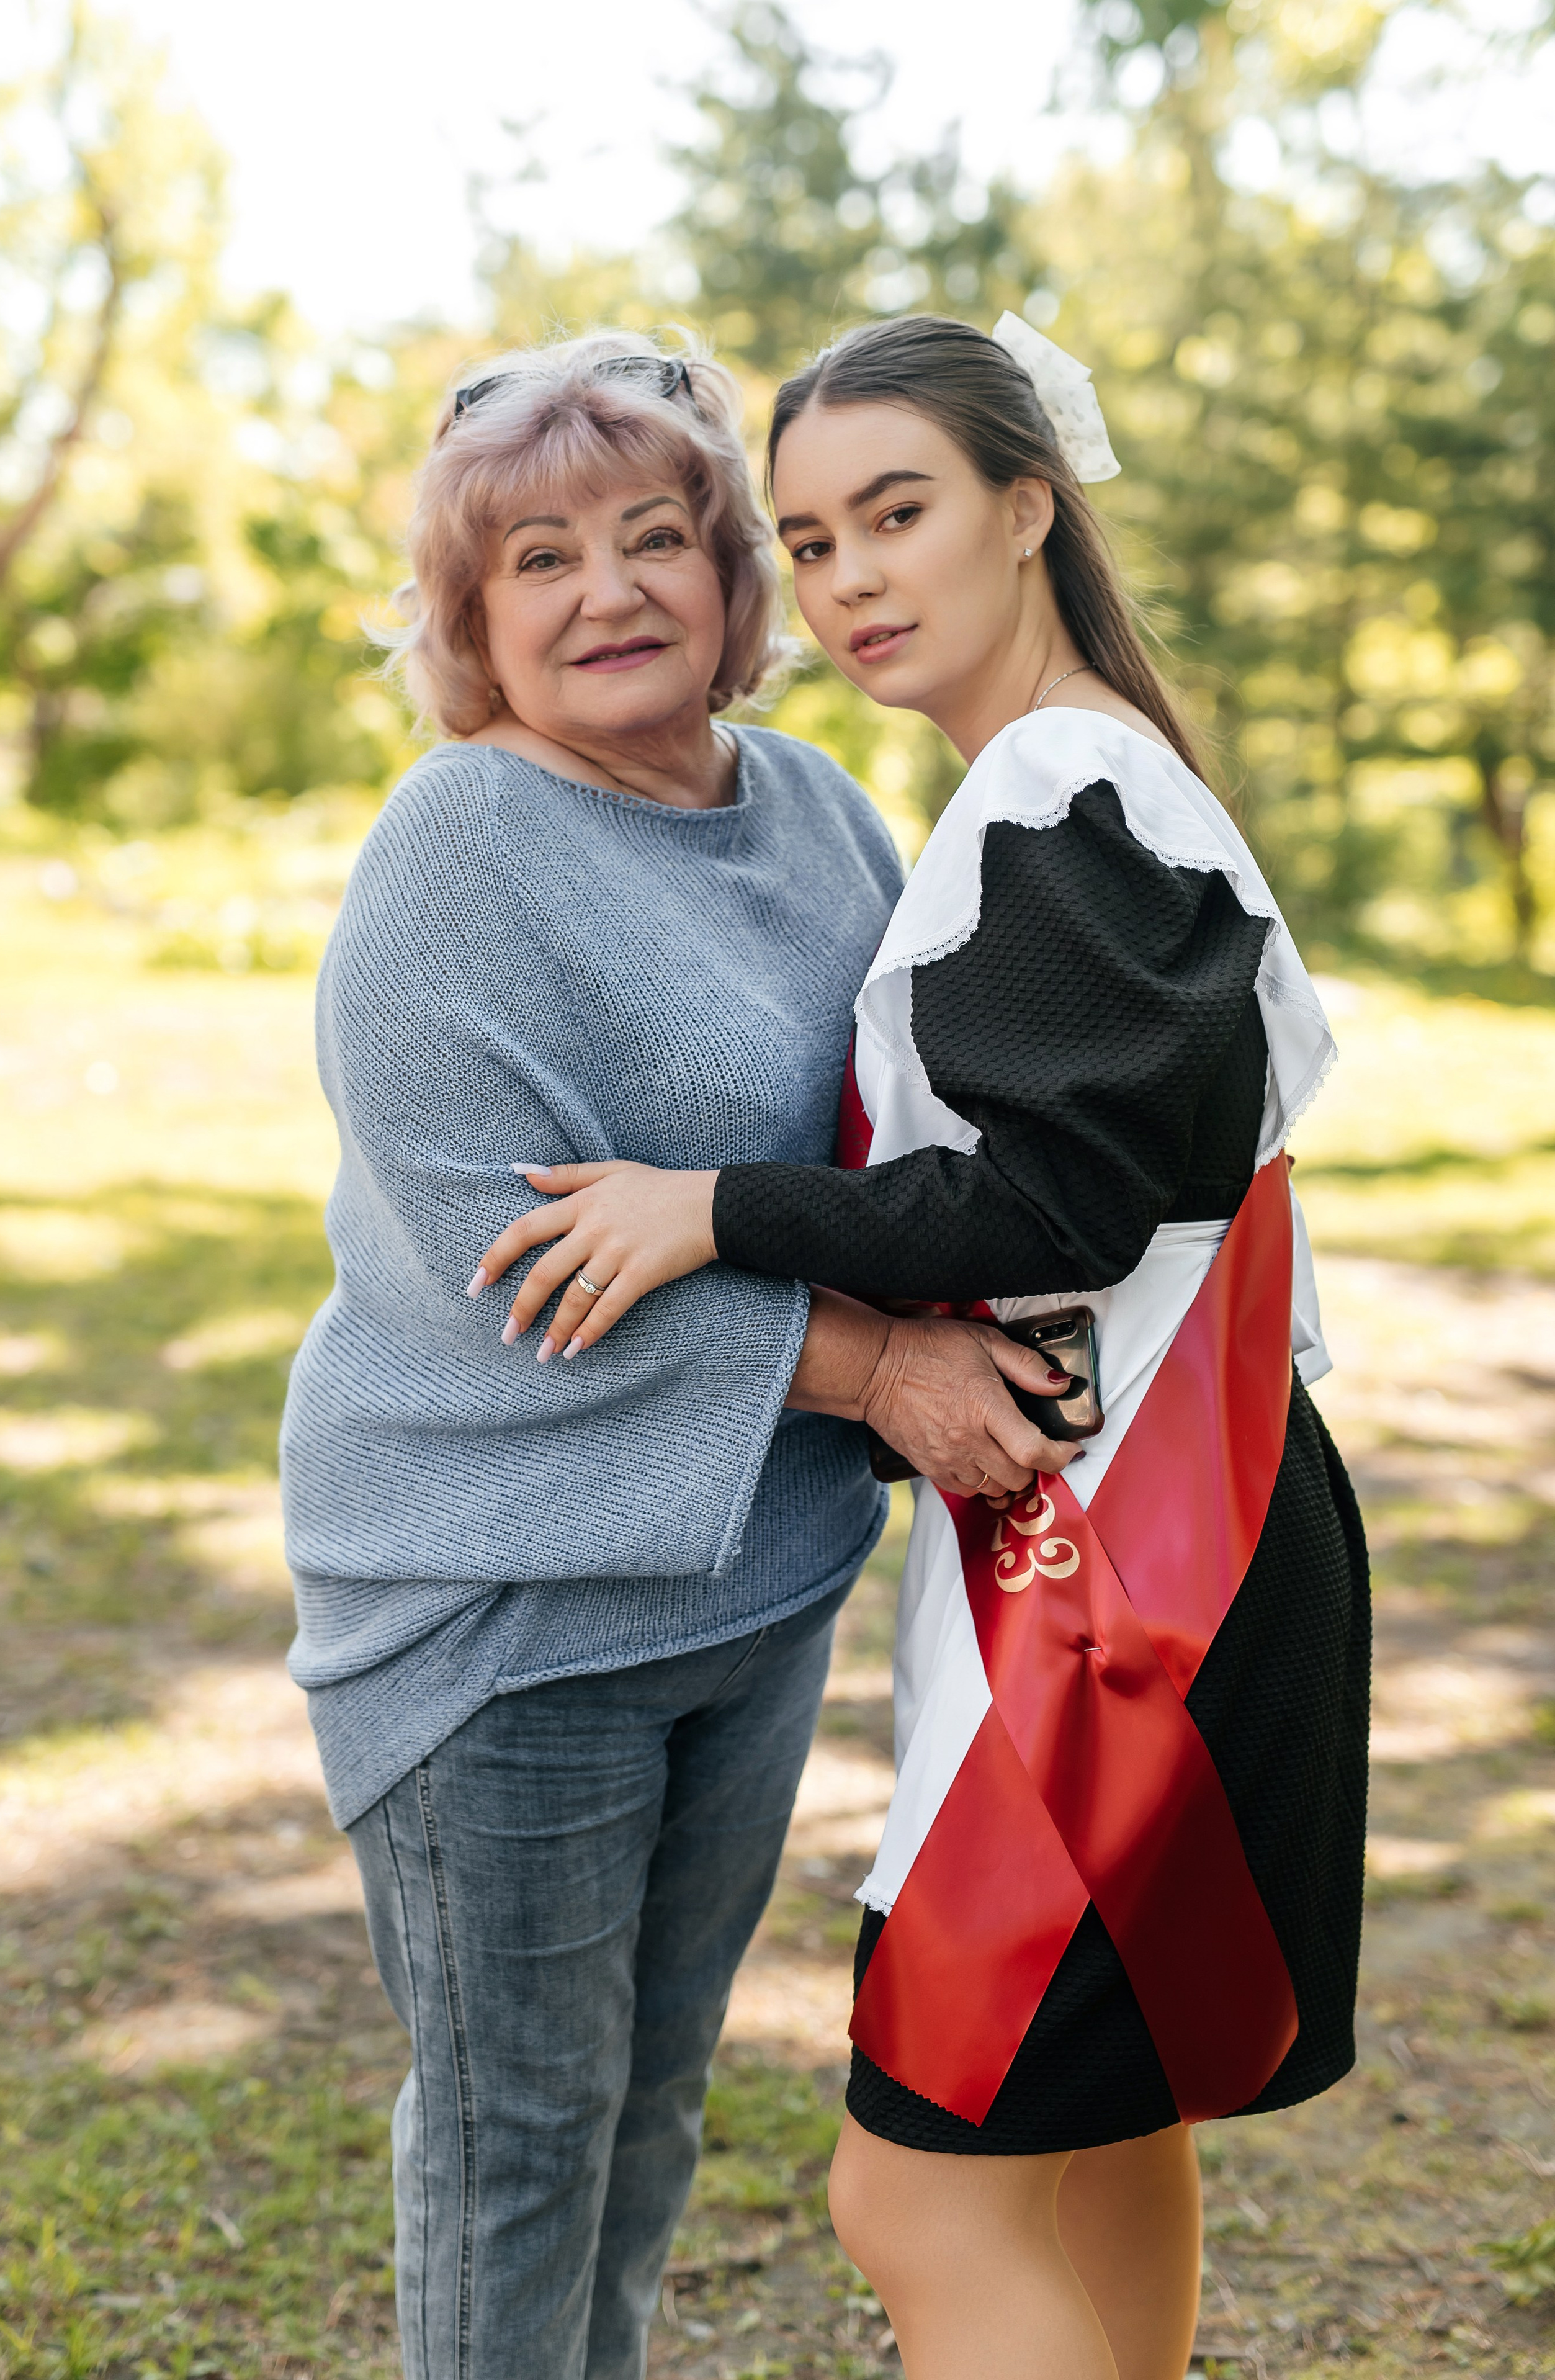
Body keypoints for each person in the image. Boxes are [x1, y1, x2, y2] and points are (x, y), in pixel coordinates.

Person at [470, 313, 1370, 2380]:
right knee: (1089, 2132)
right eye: (809, 538)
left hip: (1139, 1561)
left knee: (920, 2180)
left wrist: (713, 1209)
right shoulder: (1081, 781)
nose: (855, 574)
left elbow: (1060, 1199)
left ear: (1029, 503)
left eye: (901, 512)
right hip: (1162, 1524)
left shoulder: (1061, 785)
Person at [279, 328, 1077, 2380]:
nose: (608, 589)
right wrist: (884, 1373)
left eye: (656, 537)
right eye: (537, 559)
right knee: (518, 2133)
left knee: (649, 2105)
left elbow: (901, 1139)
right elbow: (507, 1257)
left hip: (749, 1582)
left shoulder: (813, 806)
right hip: (511, 1608)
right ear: (471, 622)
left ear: (735, 578)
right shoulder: (456, 850)